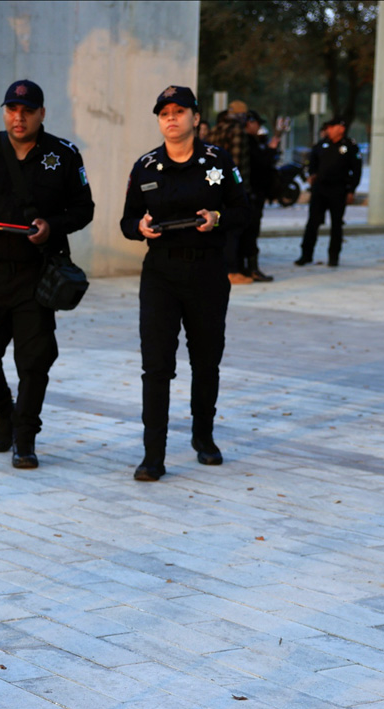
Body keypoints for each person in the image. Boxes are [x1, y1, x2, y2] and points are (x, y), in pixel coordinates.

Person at [0, 79, 95, 469]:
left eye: (27, 110)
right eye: (12, 109)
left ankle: (24, 438)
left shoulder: (63, 155)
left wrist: (52, 226)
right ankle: (3, 414)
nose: (19, 117)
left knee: (34, 360)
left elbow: (84, 209)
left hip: (35, 275)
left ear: (42, 113)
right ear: (5, 112)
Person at [120, 85, 249, 482]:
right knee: (156, 366)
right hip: (161, 275)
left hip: (207, 273)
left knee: (205, 362)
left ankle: (203, 437)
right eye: (164, 113)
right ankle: (153, 455)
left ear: (195, 117)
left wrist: (218, 219)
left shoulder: (217, 161)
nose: (171, 118)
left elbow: (243, 209)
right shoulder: (145, 166)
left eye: (179, 111)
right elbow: (127, 222)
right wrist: (140, 227)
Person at [295, 117, 362, 267]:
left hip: (338, 190)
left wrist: (351, 190)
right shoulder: (321, 145)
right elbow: (312, 164)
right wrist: (311, 175)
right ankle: (306, 254)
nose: (328, 130)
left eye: (332, 127)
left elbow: (356, 170)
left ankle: (333, 256)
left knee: (336, 224)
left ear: (341, 128)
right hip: (320, 189)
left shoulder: (349, 146)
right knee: (312, 223)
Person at [230, 111, 279, 283]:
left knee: (247, 232)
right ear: (249, 123)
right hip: (251, 194)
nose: (258, 127)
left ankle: (245, 267)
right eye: (256, 123)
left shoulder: (251, 141)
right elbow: (260, 163)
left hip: (251, 193)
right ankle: (250, 269)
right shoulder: (246, 142)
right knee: (249, 232)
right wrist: (271, 149)